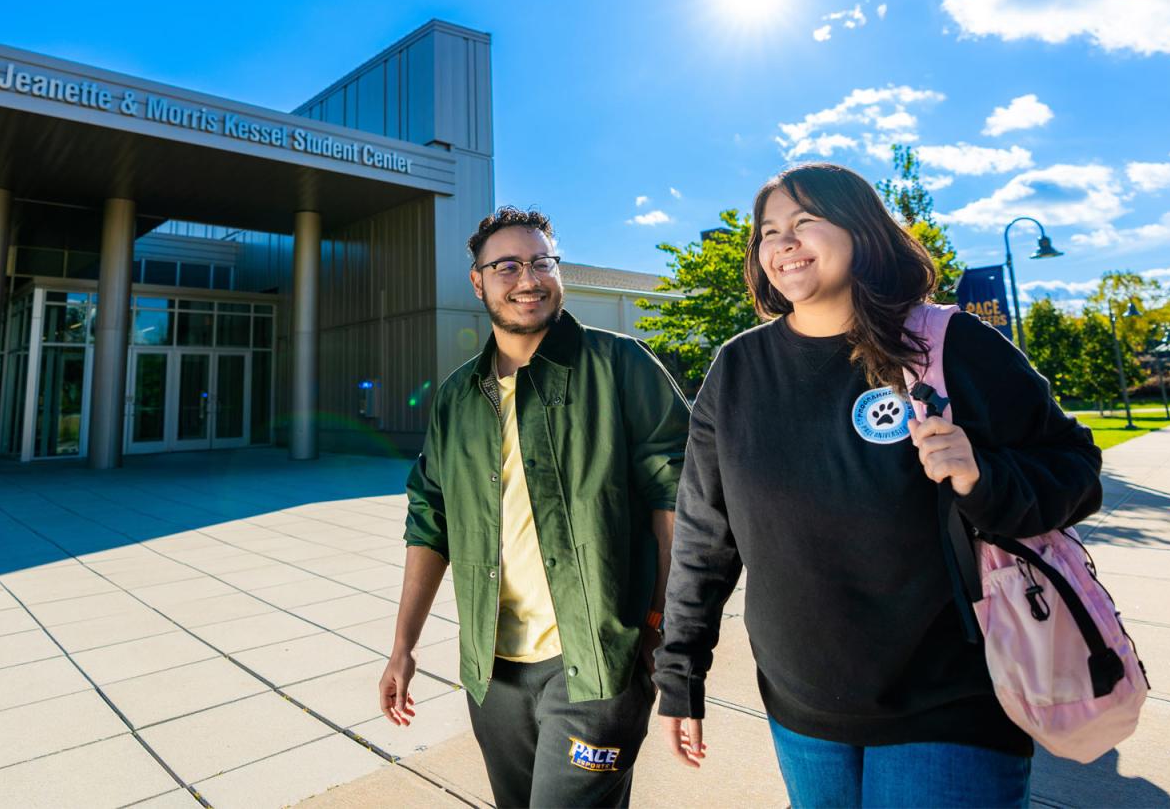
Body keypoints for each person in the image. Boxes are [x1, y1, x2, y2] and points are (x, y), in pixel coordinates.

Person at [653, 163, 1103, 808]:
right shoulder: (738, 368)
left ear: (861, 230)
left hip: (950, 700)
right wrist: (681, 673)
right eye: (768, 230)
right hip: (801, 708)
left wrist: (982, 476)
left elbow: (1076, 470)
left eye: (805, 221)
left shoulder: (945, 344)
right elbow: (704, 534)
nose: (782, 242)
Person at [380, 206, 690, 808]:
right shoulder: (457, 398)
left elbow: (677, 496)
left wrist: (660, 626)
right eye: (508, 265)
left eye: (542, 262)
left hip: (599, 662)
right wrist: (403, 646)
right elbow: (429, 519)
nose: (529, 278)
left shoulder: (621, 365)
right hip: (492, 673)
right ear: (478, 281)